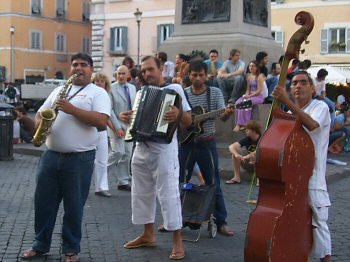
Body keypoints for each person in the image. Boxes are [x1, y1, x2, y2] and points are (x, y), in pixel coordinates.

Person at [22, 53, 111, 262]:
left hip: (79, 160)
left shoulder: (97, 93)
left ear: (91, 69)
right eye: (74, 65)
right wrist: (40, 123)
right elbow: (41, 112)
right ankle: (40, 244)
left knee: (73, 206)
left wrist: (72, 110)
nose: (78, 68)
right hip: (51, 157)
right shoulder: (58, 90)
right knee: (43, 203)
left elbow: (101, 121)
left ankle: (71, 249)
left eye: (83, 65)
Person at [121, 56, 192, 260]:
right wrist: (127, 117)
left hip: (164, 150)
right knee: (141, 193)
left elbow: (188, 121)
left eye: (151, 69)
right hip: (141, 148)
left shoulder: (176, 90)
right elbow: (135, 119)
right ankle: (148, 234)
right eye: (143, 71)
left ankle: (178, 241)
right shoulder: (141, 92)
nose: (147, 74)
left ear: (161, 69)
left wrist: (178, 113)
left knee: (169, 194)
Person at [272, 71, 331, 262]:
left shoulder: (320, 107)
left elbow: (312, 125)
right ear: (290, 89)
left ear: (312, 89)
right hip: (291, 178)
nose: (298, 86)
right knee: (294, 223)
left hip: (313, 177)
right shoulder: (289, 114)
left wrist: (287, 102)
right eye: (294, 83)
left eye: (304, 82)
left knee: (318, 224)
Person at [179, 60, 235, 237]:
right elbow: (179, 118)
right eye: (194, 75)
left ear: (206, 75)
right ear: (189, 75)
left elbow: (223, 118)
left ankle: (221, 221)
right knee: (178, 181)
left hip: (206, 143)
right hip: (186, 143)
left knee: (213, 183)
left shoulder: (215, 93)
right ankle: (174, 219)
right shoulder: (184, 94)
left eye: (200, 75)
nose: (197, 78)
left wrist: (227, 112)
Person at [108, 65, 137, 192]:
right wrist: (117, 127)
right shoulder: (111, 88)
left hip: (130, 124)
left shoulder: (132, 88)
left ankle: (123, 181)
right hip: (116, 124)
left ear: (128, 75)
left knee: (127, 154)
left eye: (123, 73)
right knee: (118, 152)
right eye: (118, 73)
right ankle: (100, 173)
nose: (120, 76)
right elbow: (110, 109)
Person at [91, 72, 113, 197]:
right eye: (96, 81)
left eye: (101, 81)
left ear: (105, 84)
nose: (99, 83)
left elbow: (108, 116)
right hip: (89, 130)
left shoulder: (106, 96)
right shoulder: (90, 94)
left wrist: (114, 129)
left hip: (102, 130)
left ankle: (101, 187)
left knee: (102, 160)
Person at [233, 60, 266, 132]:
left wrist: (250, 96)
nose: (251, 67)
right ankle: (239, 124)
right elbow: (248, 89)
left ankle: (244, 124)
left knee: (246, 102)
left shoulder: (260, 76)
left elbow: (259, 90)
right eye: (250, 66)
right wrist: (246, 95)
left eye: (253, 66)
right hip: (250, 95)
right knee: (238, 102)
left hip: (258, 96)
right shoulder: (249, 76)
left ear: (257, 67)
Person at [226, 120, 261, 184]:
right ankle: (237, 178)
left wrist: (248, 156)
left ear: (254, 131)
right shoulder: (247, 138)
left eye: (248, 129)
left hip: (260, 165)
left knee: (255, 155)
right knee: (234, 154)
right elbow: (231, 146)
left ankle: (259, 179)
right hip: (248, 163)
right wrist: (236, 155)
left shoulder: (262, 138)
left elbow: (260, 149)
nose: (246, 130)